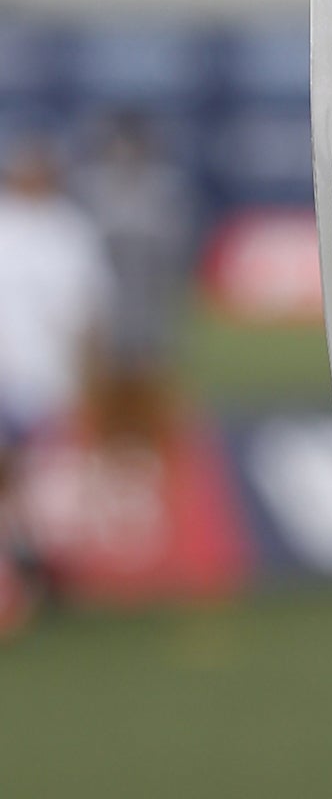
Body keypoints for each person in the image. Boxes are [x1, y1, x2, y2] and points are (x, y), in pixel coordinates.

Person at [0, 140, 114, 634]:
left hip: (48, 383)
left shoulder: (70, 230)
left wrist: (89, 385)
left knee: (33, 485)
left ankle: (34, 574)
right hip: (10, 380)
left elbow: (90, 316)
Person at [75, 115, 197, 436]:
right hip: (103, 316)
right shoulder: (89, 189)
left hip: (150, 312)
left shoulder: (166, 190)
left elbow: (176, 258)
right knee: (101, 408)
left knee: (150, 406)